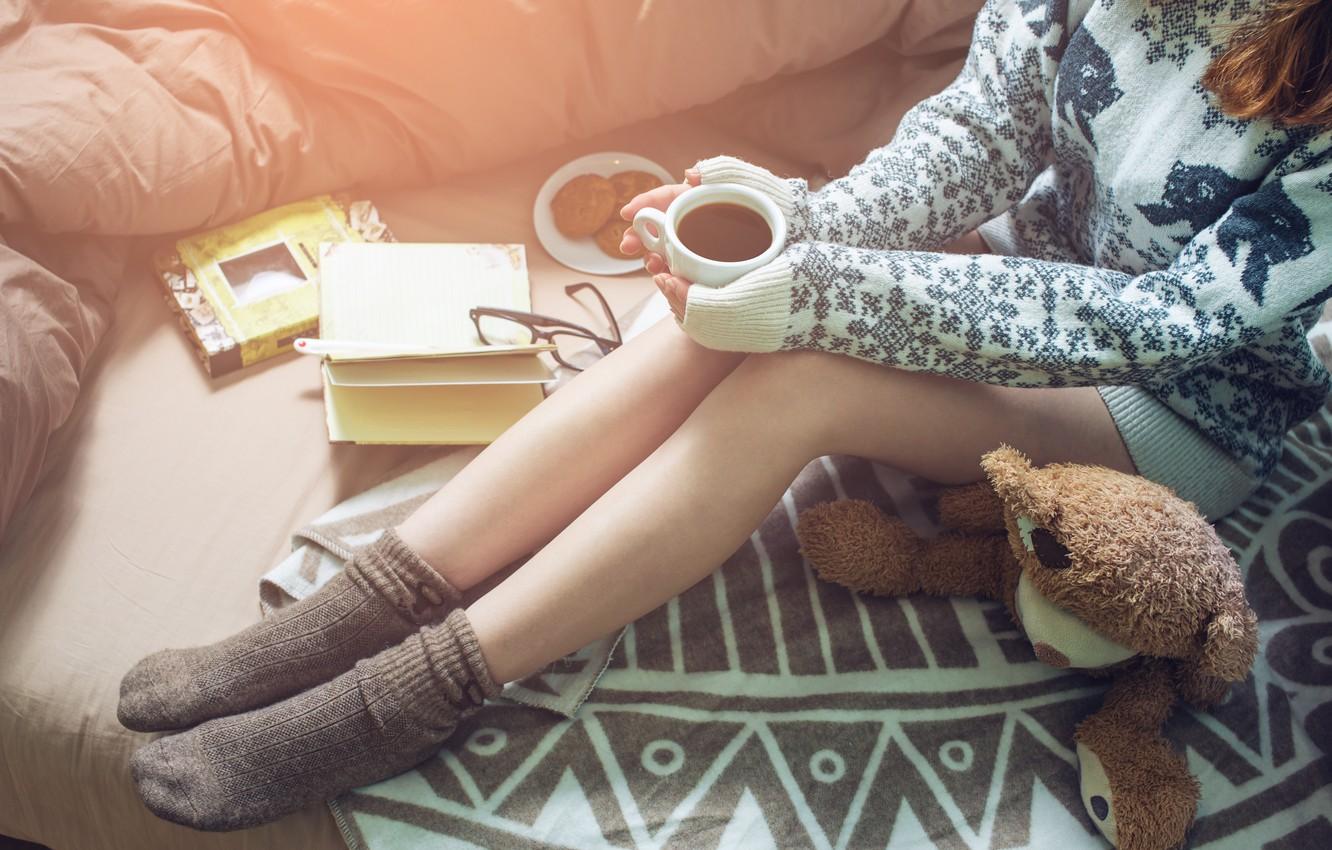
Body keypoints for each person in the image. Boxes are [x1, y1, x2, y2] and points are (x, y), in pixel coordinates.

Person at [119, 0, 1331, 830]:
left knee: (798, 376)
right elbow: (981, 133)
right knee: (712, 316)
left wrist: (827, 291)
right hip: (1019, 276)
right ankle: (358, 612)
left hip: (1174, 398)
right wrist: (800, 227)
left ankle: (413, 694)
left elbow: (1165, 322)